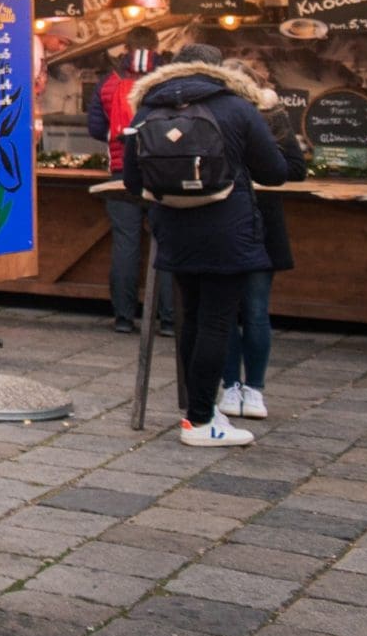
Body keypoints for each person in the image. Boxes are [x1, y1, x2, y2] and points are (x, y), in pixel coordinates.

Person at [123, 44, 291, 447]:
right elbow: (276, 172)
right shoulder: (237, 108)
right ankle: (200, 421)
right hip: (228, 230)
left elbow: (132, 181)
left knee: (192, 320)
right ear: (219, 71)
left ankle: (200, 412)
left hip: (174, 230)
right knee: (216, 322)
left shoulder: (147, 109)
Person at [220, 68, 305, 421]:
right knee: (227, 310)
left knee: (252, 309)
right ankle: (233, 386)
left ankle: (251, 388)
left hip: (259, 219)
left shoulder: (270, 115)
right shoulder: (215, 113)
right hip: (225, 219)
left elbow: (294, 169)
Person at [86, 27, 173, 335]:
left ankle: (124, 317)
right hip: (164, 172)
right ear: (157, 46)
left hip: (123, 172)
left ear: (125, 48)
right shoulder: (171, 79)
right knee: (166, 244)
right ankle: (169, 320)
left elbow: (96, 128)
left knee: (126, 242)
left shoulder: (109, 83)